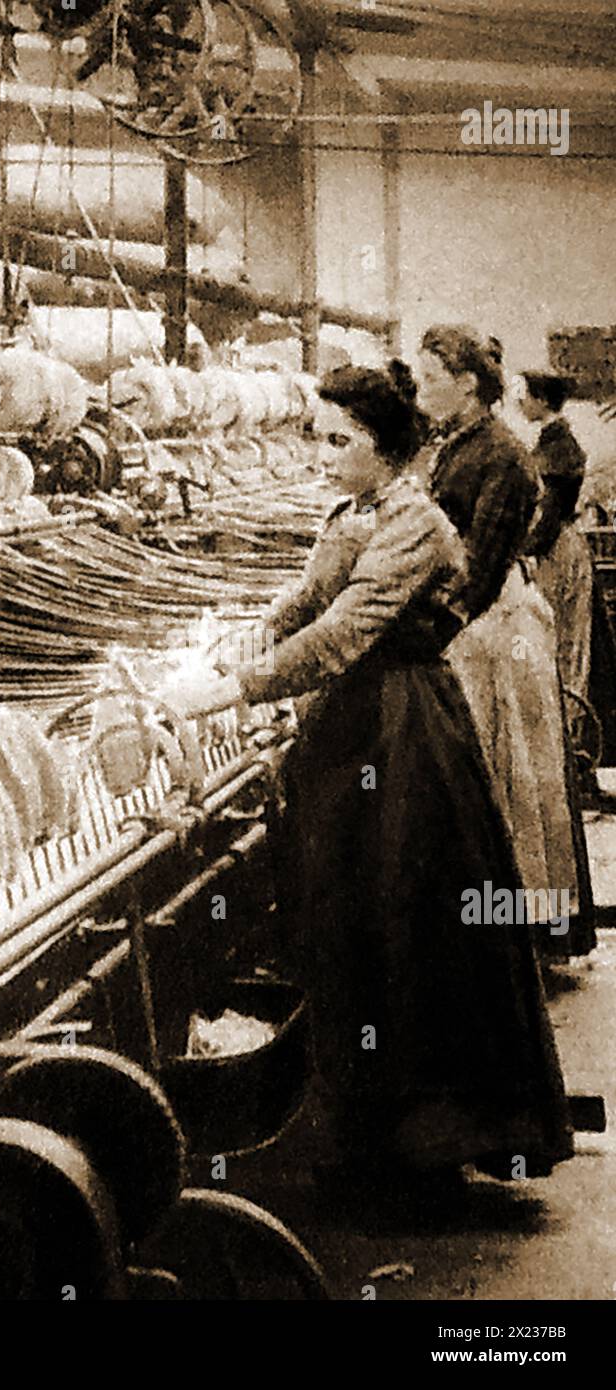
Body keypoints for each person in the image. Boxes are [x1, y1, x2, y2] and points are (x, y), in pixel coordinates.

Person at [164, 359, 573, 1194]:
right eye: (320, 437)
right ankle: (362, 1131)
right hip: (348, 732)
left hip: (403, 733)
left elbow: (350, 629)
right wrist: (243, 636)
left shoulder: (416, 521)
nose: (323, 454)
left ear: (384, 448)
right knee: (350, 925)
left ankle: (423, 1146)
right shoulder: (353, 508)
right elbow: (309, 602)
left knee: (409, 925)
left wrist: (236, 688)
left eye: (338, 441)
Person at [414, 329, 594, 959]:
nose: (422, 388)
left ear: (466, 384)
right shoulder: (457, 445)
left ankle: (503, 944)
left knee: (506, 783)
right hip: (478, 628)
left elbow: (480, 572)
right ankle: (481, 941)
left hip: (493, 634)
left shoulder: (505, 455)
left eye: (431, 377)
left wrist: (419, 631)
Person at [521, 371, 616, 789]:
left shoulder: (560, 447)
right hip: (550, 548)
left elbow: (551, 514)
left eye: (523, 395)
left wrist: (523, 550)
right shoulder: (546, 443)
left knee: (564, 646)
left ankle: (569, 752)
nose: (518, 402)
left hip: (556, 551)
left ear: (542, 400)